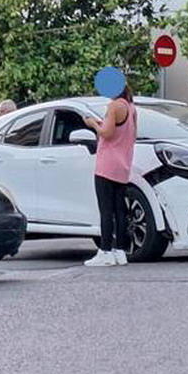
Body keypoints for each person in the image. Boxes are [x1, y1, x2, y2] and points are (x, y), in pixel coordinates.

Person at [83, 82, 137, 267]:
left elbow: (106, 133)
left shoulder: (113, 106)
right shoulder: (131, 108)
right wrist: (104, 124)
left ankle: (105, 250)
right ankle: (119, 250)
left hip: (107, 164)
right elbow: (125, 133)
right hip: (123, 164)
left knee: (105, 209)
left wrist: (92, 124)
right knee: (119, 209)